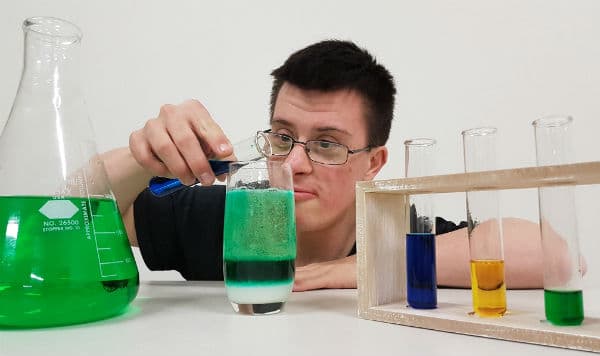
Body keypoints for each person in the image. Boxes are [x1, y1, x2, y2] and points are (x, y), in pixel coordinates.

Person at [102, 40, 545, 291]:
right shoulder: (226, 214)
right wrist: (145, 157)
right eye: (282, 137)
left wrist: (357, 267)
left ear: (373, 163)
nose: (293, 163)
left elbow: (551, 252)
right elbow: (74, 210)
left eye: (328, 145)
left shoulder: (396, 233)